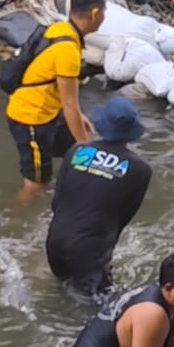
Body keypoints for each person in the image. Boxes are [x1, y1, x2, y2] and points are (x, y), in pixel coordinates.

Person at [47, 97, 154, 301]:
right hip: (90, 250)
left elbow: (57, 201)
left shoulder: (76, 151)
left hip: (55, 240)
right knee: (99, 309)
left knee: (61, 294)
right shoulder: (140, 170)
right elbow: (123, 216)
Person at [6, 0, 103, 203]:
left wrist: (81, 125)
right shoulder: (67, 50)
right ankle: (15, 222)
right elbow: (70, 105)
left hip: (50, 111)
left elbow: (62, 93)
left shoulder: (60, 30)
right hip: (31, 119)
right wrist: (85, 145)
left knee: (84, 139)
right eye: (103, 14)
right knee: (37, 184)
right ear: (95, 14)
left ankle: (75, 192)